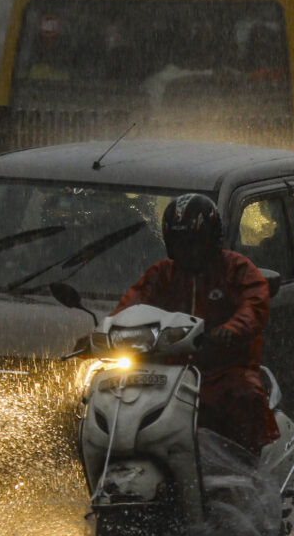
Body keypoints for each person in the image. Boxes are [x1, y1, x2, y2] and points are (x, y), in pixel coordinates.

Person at [111, 193, 279, 453]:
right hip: (164, 374)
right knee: (117, 394)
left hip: (223, 372)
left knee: (245, 396)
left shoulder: (236, 269)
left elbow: (254, 304)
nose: (187, 250)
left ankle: (250, 470)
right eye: (180, 242)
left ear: (212, 240)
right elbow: (130, 305)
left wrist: (230, 330)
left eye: (194, 242)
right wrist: (105, 332)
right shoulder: (161, 274)